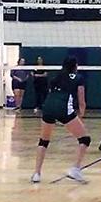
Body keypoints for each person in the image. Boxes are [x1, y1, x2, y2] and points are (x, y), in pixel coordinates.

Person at [31, 56, 91, 184]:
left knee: (43, 141)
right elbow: (82, 102)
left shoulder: (56, 77)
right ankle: (75, 169)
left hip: (48, 106)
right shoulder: (79, 78)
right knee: (85, 139)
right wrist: (81, 116)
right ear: (75, 66)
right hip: (63, 108)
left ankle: (36, 173)